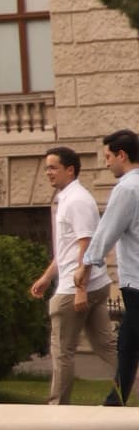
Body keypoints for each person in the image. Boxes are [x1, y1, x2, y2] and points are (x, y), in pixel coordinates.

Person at [30, 145, 116, 404]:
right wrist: (47, 277)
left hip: (76, 288)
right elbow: (67, 248)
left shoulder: (76, 200)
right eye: (46, 168)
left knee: (62, 351)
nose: (48, 173)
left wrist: (80, 288)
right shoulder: (69, 197)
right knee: (107, 347)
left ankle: (58, 408)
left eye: (53, 167)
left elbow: (86, 244)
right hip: (93, 284)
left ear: (70, 170)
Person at [75, 128, 139, 405]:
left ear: (121, 155)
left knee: (128, 337)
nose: (106, 162)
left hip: (136, 280)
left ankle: (116, 399)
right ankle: (117, 396)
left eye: (108, 156)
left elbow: (106, 231)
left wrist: (86, 264)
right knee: (129, 336)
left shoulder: (126, 188)